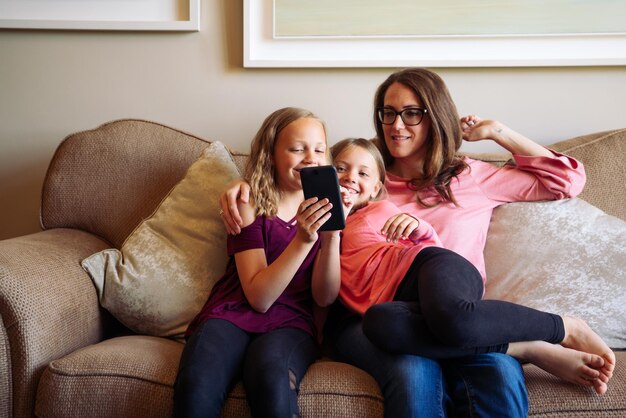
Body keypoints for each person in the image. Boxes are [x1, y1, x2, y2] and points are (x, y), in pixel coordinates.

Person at [217, 68, 593, 417]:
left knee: (498, 374)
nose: (396, 125)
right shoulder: (357, 180)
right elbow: (290, 179)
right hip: (368, 316)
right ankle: (523, 346)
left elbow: (566, 182)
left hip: (453, 311)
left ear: (437, 117)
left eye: (412, 113)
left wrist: (499, 133)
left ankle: (524, 344)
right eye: (388, 113)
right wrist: (244, 184)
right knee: (413, 370)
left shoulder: (470, 177)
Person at [327, 137, 614, 396]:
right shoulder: (323, 228)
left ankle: (565, 327)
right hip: (402, 303)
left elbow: (426, 243)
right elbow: (324, 291)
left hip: (435, 267)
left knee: (454, 319)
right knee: (381, 324)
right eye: (339, 169)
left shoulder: (381, 208)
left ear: (378, 187)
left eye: (362, 173)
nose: (350, 178)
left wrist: (417, 225)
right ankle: (524, 347)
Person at [173, 107, 343, 418]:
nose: (311, 158)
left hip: (292, 323)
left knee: (271, 379)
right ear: (271, 154)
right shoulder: (248, 201)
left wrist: (331, 237)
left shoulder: (331, 207)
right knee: (197, 382)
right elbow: (259, 298)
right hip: (233, 313)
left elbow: (324, 297)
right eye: (296, 149)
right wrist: (303, 240)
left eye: (319, 149)